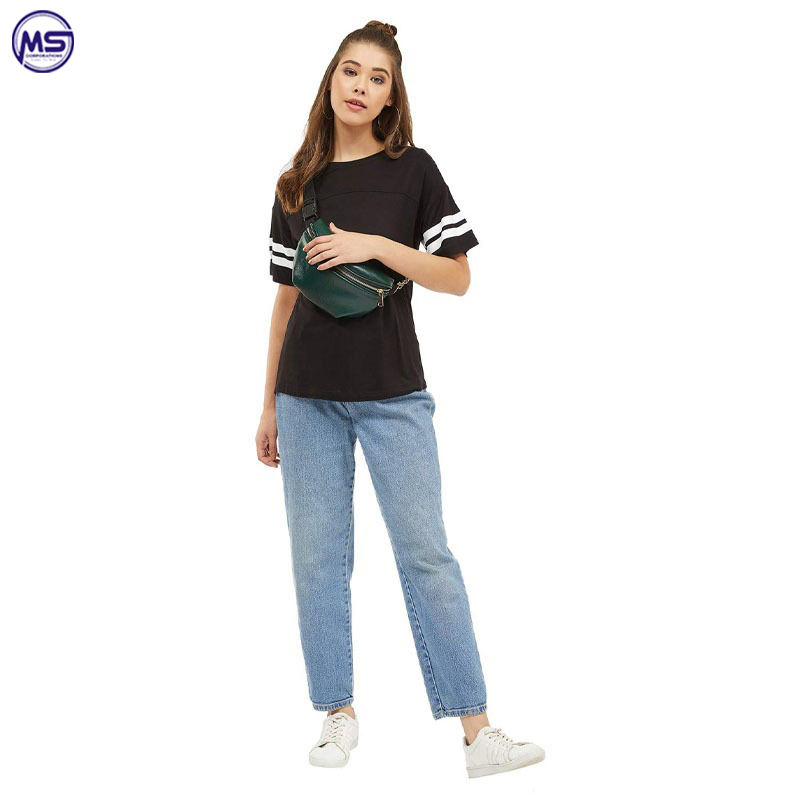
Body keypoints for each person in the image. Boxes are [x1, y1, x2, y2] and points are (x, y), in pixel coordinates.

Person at [256, 20, 545, 778]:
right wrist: (267, 405)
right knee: (317, 559)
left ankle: (477, 732)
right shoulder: (295, 183)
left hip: (393, 392)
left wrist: (377, 247)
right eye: (350, 71)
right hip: (305, 395)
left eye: (377, 78)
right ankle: (337, 714)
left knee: (426, 554)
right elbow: (285, 302)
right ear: (331, 79)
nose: (360, 86)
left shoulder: (412, 170)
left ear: (392, 96)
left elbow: (458, 277)